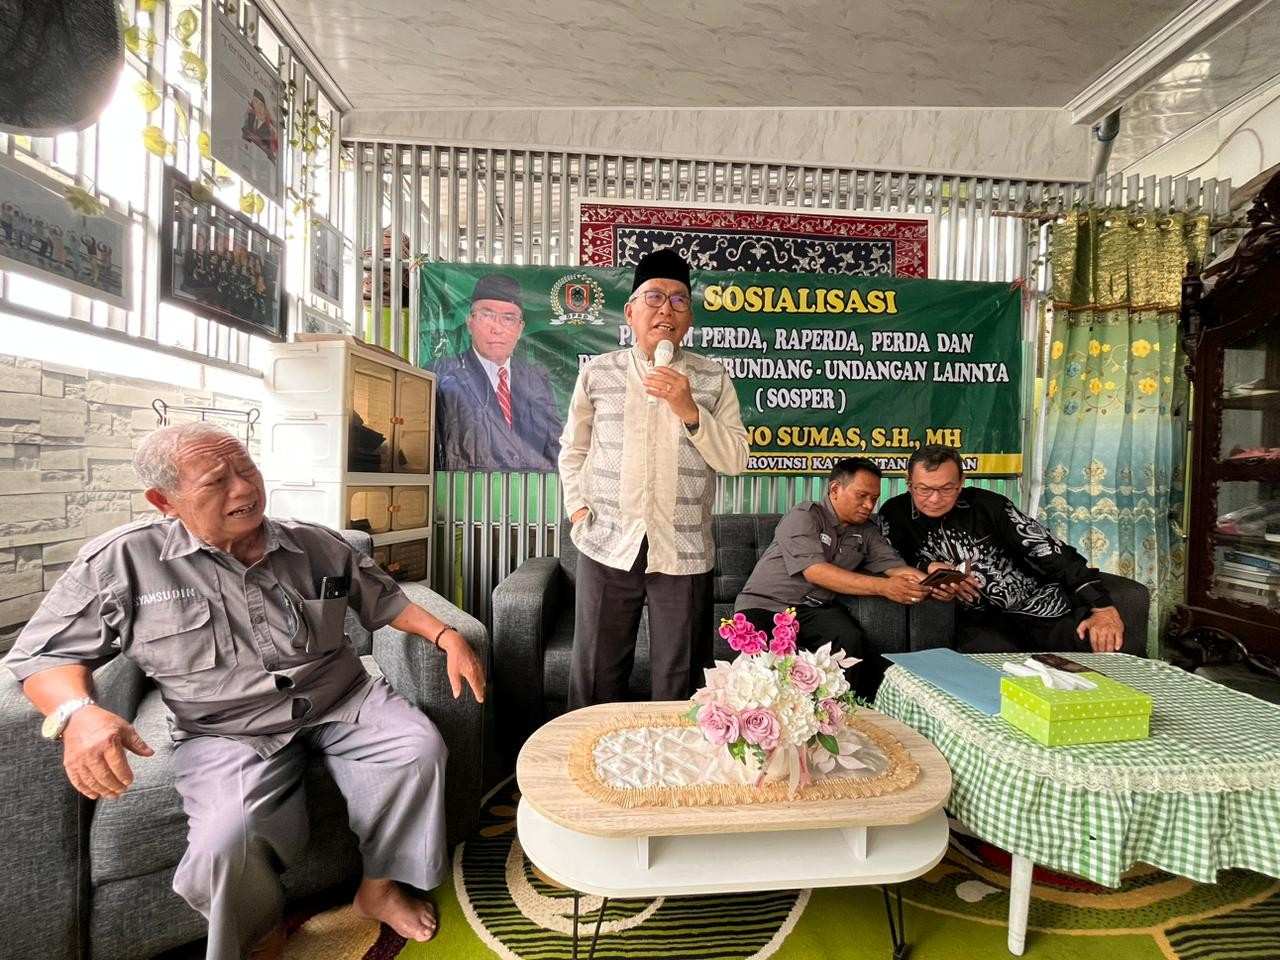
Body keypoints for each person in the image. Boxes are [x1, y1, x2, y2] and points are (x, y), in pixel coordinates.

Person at [2, 423, 486, 960]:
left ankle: (380, 888)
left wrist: (447, 636)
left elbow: (387, 601)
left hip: (341, 697)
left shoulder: (313, 543)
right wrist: (77, 712)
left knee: (417, 749)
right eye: (216, 481)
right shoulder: (122, 562)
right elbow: (42, 655)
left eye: (246, 470)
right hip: (224, 727)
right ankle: (258, 932)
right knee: (225, 842)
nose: (244, 489)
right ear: (164, 500)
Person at [560, 248, 750, 708]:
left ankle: (677, 757)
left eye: (679, 300)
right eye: (654, 297)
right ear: (631, 312)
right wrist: (578, 509)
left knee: (680, 683)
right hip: (608, 543)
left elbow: (737, 458)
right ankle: (590, 755)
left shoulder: (711, 378)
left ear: (690, 319)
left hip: (682, 551)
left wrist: (690, 409)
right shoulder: (598, 373)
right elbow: (573, 449)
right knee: (596, 676)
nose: (667, 309)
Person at [879, 443, 1132, 654]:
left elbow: (1049, 550)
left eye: (946, 488)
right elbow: (887, 562)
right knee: (993, 667)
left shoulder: (989, 505)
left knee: (1101, 645)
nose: (935, 499)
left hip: (1037, 607)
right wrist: (928, 568)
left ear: (961, 482)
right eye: (924, 489)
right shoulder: (895, 513)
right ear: (909, 483)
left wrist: (1102, 607)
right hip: (975, 621)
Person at [735, 457, 932, 699]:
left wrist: (933, 584)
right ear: (835, 489)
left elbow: (896, 568)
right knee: (766, 669)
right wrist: (884, 587)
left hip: (812, 610)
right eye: (862, 496)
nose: (869, 505)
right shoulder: (805, 515)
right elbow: (815, 571)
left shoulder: (867, 531)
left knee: (850, 641)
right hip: (766, 605)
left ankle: (845, 710)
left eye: (874, 498)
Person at [432, 273, 563, 471]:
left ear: (520, 329)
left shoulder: (536, 380)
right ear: (470, 322)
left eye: (508, 319)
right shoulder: (442, 375)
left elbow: (555, 448)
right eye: (487, 316)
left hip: (530, 489)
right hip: (463, 488)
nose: (497, 328)